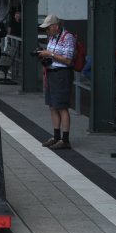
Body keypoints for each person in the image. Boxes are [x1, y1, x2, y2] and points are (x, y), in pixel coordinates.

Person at [37, 13, 75, 150]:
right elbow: (52, 55)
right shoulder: (52, 37)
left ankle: (65, 139)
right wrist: (43, 55)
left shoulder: (68, 37)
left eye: (48, 27)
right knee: (52, 106)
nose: (47, 30)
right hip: (51, 73)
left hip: (62, 74)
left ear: (56, 26)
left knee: (62, 107)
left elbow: (68, 60)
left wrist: (50, 54)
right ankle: (56, 136)